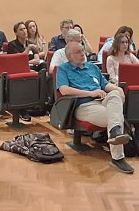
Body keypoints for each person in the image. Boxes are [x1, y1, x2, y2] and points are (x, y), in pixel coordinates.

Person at [56, 43, 134, 174]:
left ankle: (115, 133)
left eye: (83, 50)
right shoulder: (63, 69)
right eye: (78, 52)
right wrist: (90, 93)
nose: (83, 54)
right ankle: (118, 157)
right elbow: (64, 90)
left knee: (115, 95)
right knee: (115, 117)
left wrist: (118, 89)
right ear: (69, 56)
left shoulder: (92, 67)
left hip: (102, 100)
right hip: (83, 105)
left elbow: (105, 85)